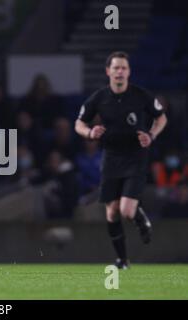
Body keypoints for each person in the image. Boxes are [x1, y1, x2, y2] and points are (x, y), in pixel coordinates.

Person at [75, 51, 167, 269]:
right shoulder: (99, 98)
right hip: (111, 157)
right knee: (112, 211)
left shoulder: (140, 95)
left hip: (135, 156)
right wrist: (89, 133)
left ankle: (140, 219)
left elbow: (161, 117)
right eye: (115, 68)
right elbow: (79, 123)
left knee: (126, 210)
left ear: (129, 72)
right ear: (108, 71)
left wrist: (151, 135)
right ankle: (122, 260)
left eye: (123, 68)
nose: (119, 72)